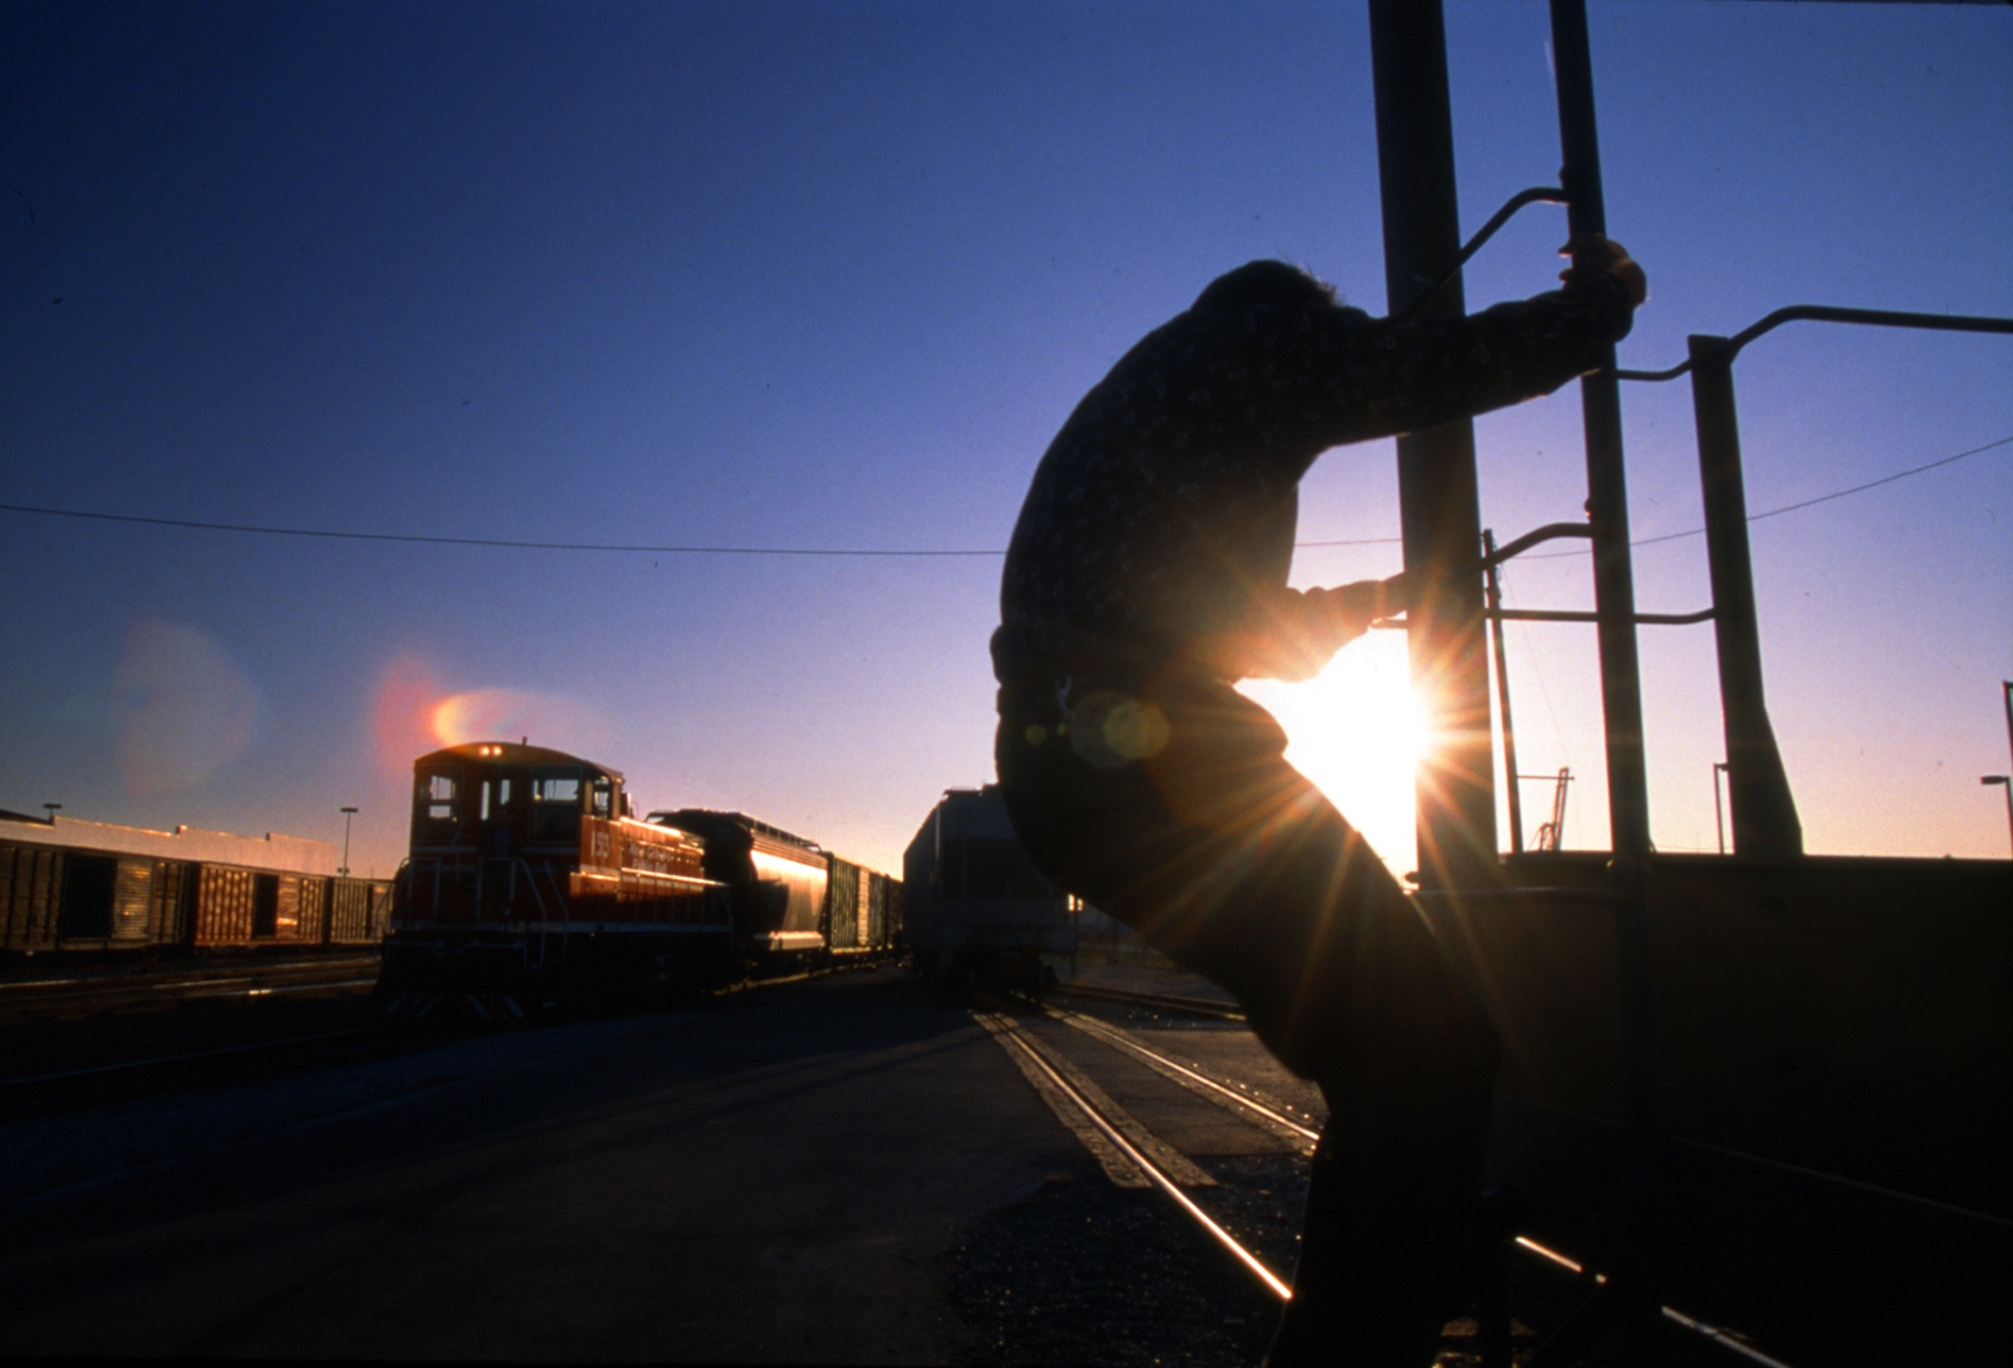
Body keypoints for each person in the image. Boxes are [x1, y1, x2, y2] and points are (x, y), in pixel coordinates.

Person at [991, 238, 1647, 1365]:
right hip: (1149, 759)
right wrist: (1601, 309)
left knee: (1387, 1045)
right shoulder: (1260, 340)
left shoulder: (1151, 406)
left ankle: (1377, 1297)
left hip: (1071, 761)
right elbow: (1438, 364)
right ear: (1299, 319)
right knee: (1427, 1038)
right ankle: (1369, 1329)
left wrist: (1378, 599)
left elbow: (1220, 629)